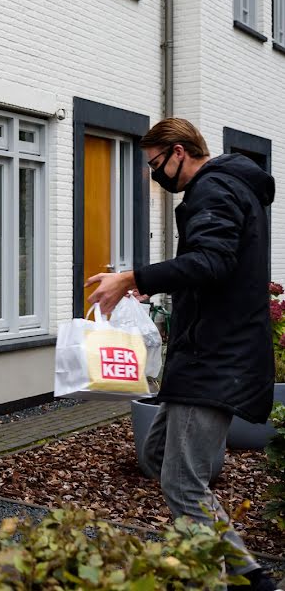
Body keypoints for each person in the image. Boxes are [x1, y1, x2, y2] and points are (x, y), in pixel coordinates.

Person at [87, 118, 278, 591]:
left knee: (182, 483)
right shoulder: (229, 188)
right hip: (207, 356)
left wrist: (134, 278)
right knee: (156, 455)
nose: (156, 176)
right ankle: (245, 571)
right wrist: (160, 293)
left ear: (178, 152)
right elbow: (215, 272)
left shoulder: (213, 192)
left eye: (156, 165)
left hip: (216, 361)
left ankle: (219, 577)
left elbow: (213, 261)